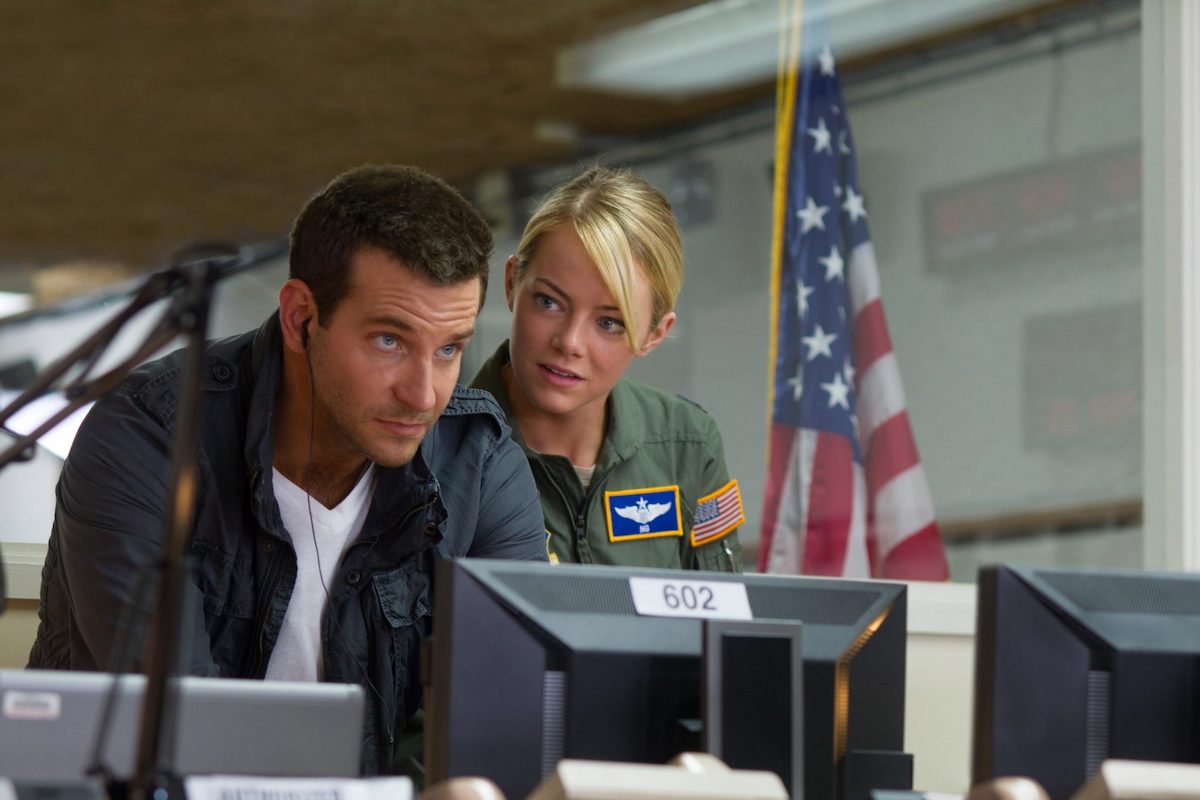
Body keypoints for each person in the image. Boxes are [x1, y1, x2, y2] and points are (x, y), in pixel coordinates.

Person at [27, 164, 548, 774]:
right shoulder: (150, 434)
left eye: (450, 348)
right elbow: (179, 725)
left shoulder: (476, 458)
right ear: (301, 317)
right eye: (389, 341)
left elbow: (514, 711)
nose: (424, 394)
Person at [471, 166, 743, 572]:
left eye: (609, 323)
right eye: (549, 302)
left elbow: (722, 608)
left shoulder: (687, 443)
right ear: (511, 283)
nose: (570, 342)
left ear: (653, 334)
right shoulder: (441, 448)